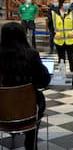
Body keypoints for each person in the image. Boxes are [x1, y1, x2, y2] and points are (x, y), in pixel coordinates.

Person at [0, 22, 50, 150]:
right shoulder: (31, 54)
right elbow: (44, 81)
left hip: (2, 109)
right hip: (28, 108)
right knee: (36, 101)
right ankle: (30, 144)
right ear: (23, 35)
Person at [49, 0, 73, 72]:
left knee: (71, 58)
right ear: (61, 4)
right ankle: (61, 74)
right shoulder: (54, 13)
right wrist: (54, 34)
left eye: (68, 3)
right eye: (65, 3)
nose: (67, 4)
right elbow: (50, 25)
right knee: (61, 58)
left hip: (70, 40)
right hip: (59, 40)